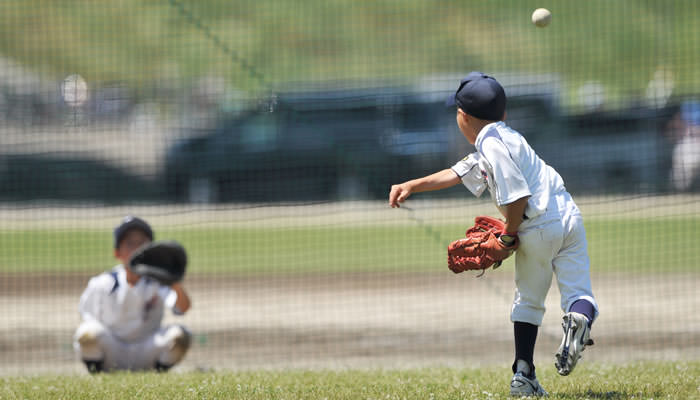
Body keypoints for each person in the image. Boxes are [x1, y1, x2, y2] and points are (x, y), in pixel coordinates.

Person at [389, 72, 599, 397]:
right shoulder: (506, 137)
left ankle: (524, 375)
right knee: (579, 294)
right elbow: (460, 172)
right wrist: (411, 185)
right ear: (503, 113)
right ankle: (579, 320)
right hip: (569, 216)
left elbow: (517, 196)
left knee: (528, 302)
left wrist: (507, 237)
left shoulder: (490, 142)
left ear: (463, 117)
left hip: (536, 227)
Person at [73, 216, 192, 373]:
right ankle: (98, 374)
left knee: (180, 335)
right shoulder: (102, 283)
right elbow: (87, 317)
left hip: (148, 349)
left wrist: (175, 282)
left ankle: (158, 375)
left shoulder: (157, 281)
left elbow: (182, 308)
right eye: (130, 243)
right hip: (112, 350)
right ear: (117, 252)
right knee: (87, 333)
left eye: (142, 243)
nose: (136, 248)